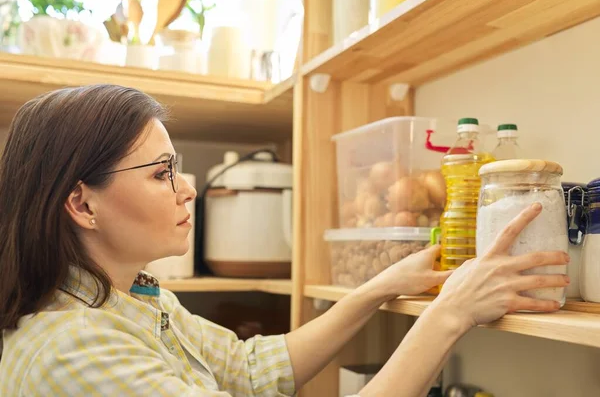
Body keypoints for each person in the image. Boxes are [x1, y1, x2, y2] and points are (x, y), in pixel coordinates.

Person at [0, 84, 569, 397]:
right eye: (160, 173)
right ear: (81, 203)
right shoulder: (75, 350)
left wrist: (375, 288)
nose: (188, 188)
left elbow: (251, 370)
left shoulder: (129, 299)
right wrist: (449, 315)